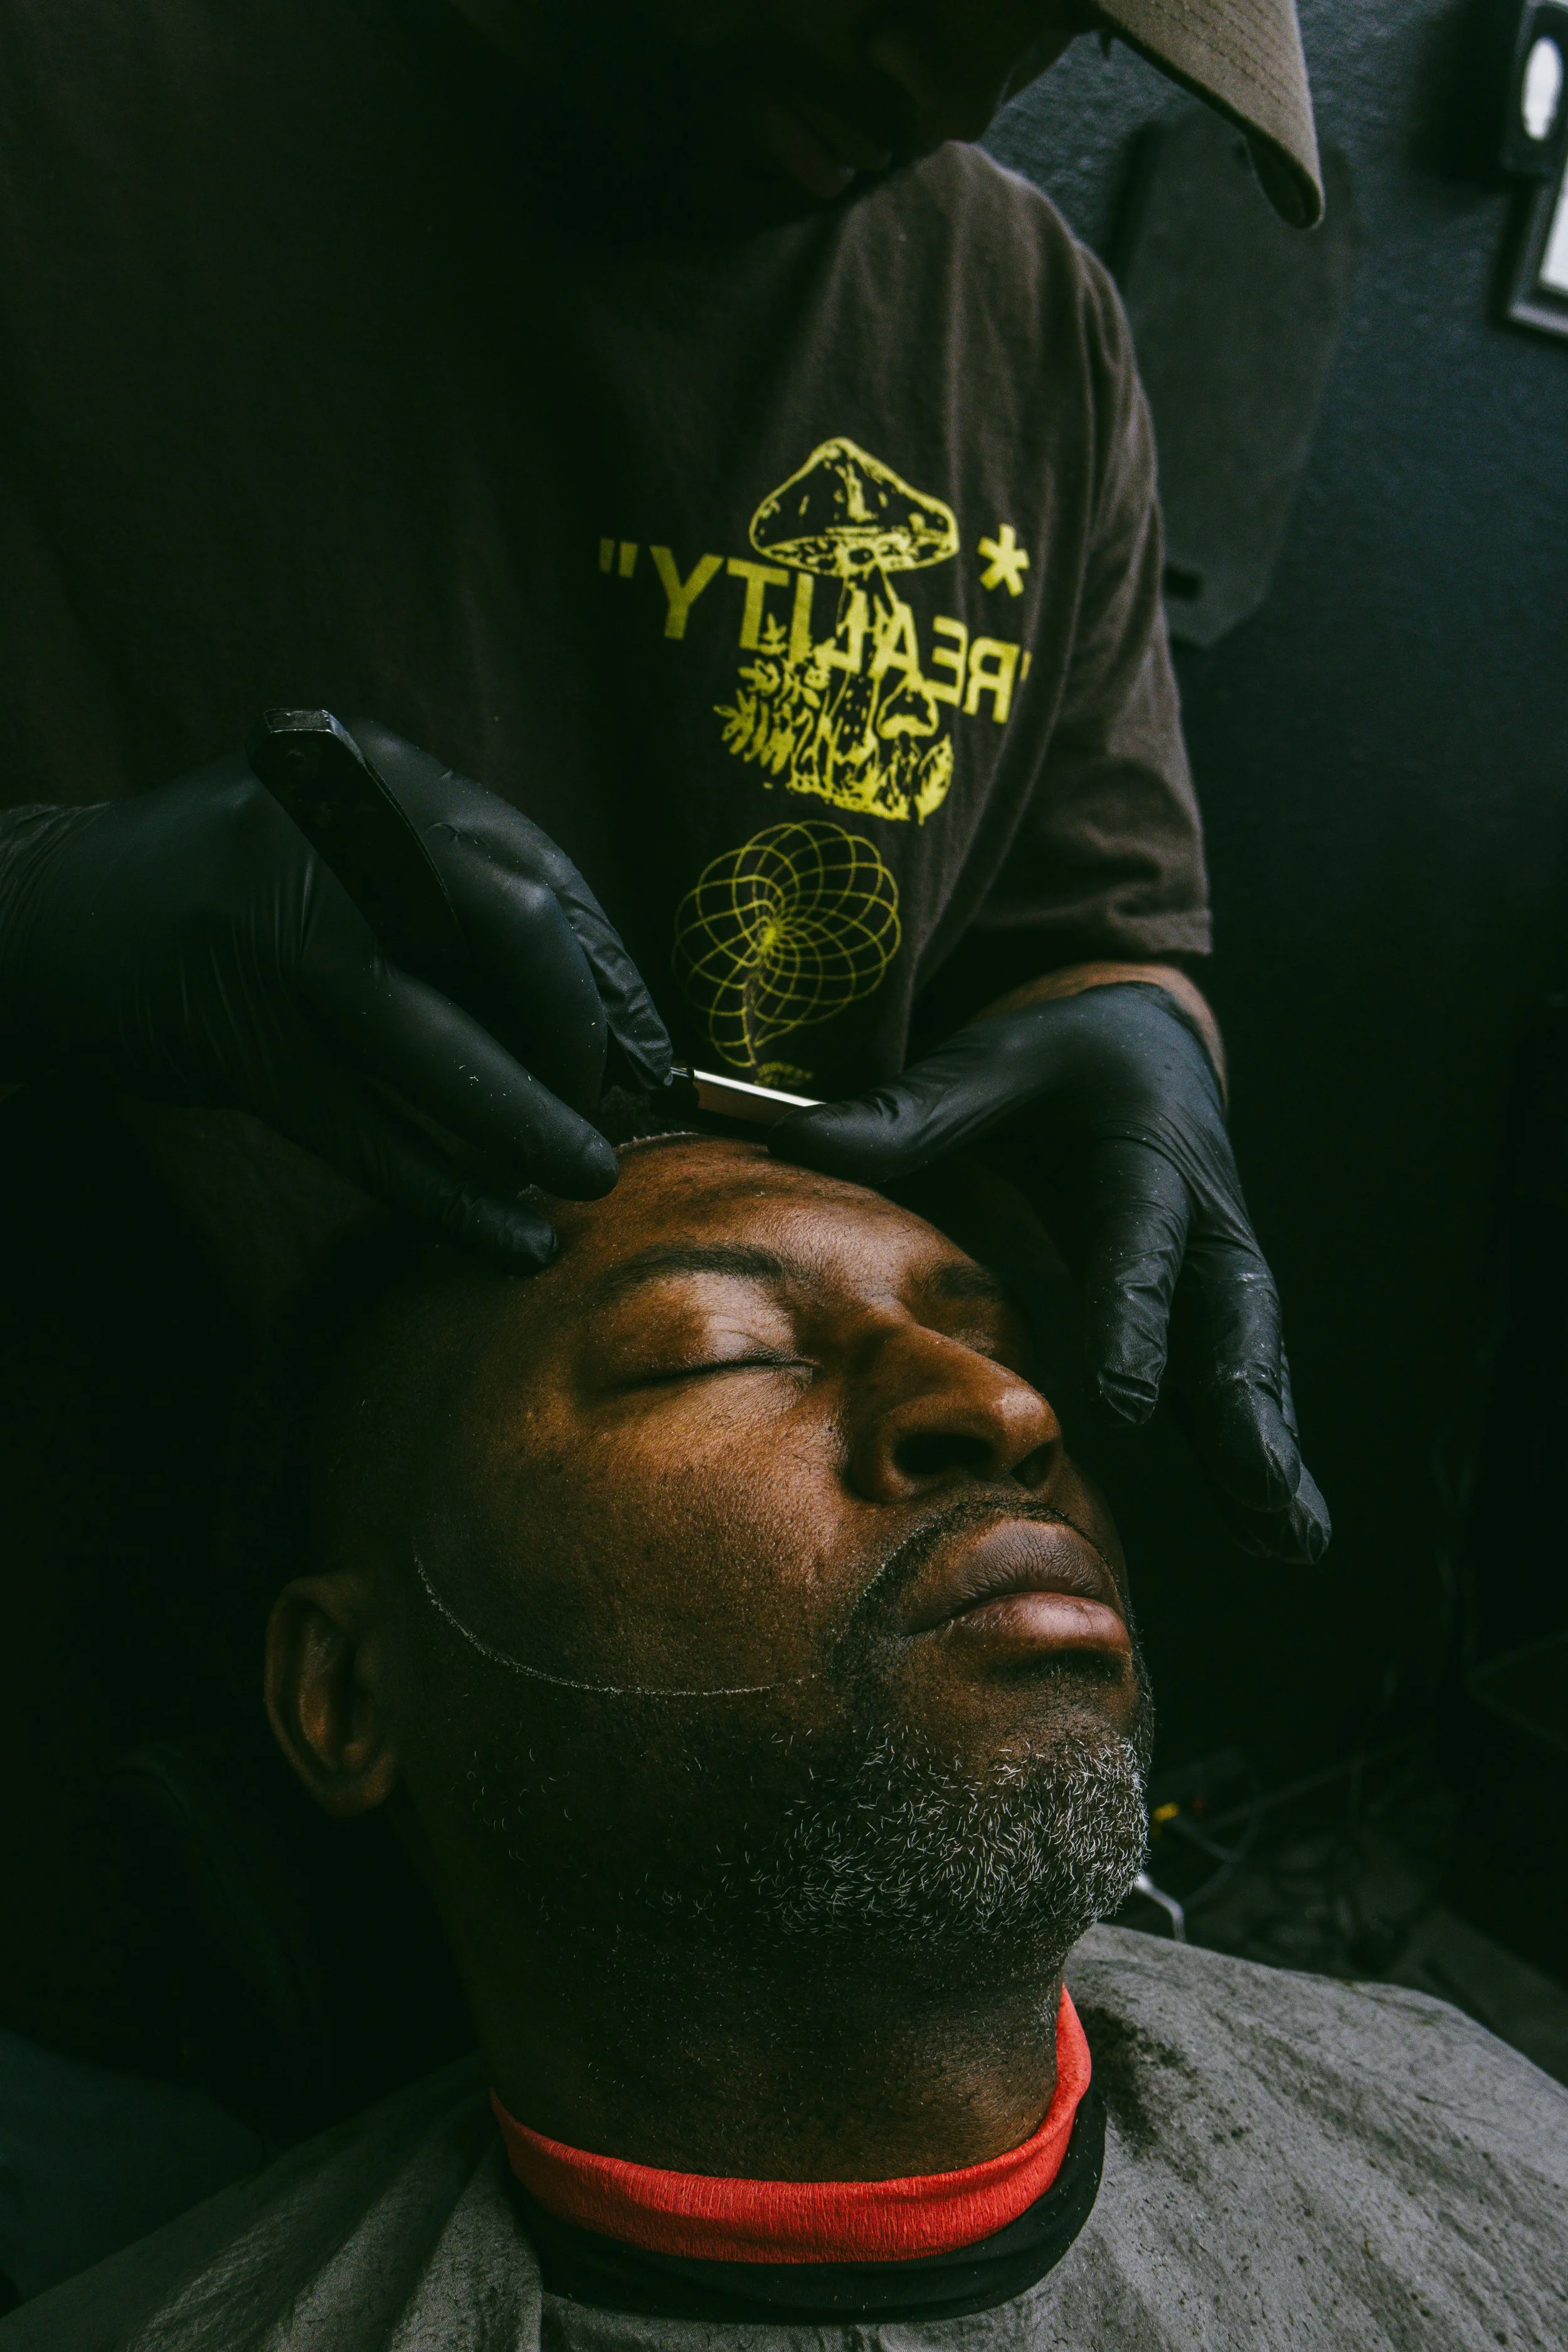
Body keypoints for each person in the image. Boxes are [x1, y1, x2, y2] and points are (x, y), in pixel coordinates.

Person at [0, 0, 1327, 1564]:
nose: (955, 93)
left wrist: (1138, 1030)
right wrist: (40, 913)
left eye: (1056, 27)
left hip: (645, 1595)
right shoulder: (65, 93)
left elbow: (1083, 931)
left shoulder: (1026, 324)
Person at [7, 1130, 1561, 2350]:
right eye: (716, 1347)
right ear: (348, 1695)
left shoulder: (1487, 2125)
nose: (998, 1410)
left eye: (1003, 1345)